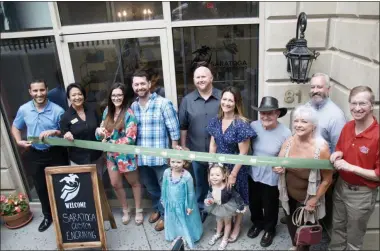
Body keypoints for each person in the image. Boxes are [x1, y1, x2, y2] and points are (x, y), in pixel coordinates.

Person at [280, 72, 346, 225]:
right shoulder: (306, 107)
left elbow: (339, 149)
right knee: (296, 216)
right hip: (296, 174)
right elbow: (295, 135)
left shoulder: (335, 115)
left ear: (328, 89)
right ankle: (294, 218)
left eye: (320, 87)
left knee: (313, 217)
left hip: (319, 172)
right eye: (313, 86)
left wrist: (322, 187)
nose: (315, 90)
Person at [11, 79, 69, 232]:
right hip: (35, 153)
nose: (39, 94)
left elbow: (65, 133)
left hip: (56, 152)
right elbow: (16, 127)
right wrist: (18, 141)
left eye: (42, 90)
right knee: (41, 187)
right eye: (35, 91)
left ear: (47, 90)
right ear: (30, 92)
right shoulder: (24, 109)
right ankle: (47, 216)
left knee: (62, 185)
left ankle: (66, 214)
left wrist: (56, 132)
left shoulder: (58, 110)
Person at [273, 105, 333, 251]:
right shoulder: (289, 142)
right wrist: (277, 168)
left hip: (307, 201)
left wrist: (314, 199)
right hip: (288, 196)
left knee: (305, 237)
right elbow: (277, 164)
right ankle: (295, 246)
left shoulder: (321, 148)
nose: (299, 125)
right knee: (292, 226)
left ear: (314, 126)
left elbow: (327, 179)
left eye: (304, 121)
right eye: (296, 121)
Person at [329, 86, 379, 251]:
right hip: (341, 187)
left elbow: (378, 175)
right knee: (337, 230)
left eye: (363, 103)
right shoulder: (348, 126)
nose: (357, 108)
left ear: (372, 105)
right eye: (354, 103)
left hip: (362, 194)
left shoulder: (377, 135)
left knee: (354, 238)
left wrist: (350, 167)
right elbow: (341, 148)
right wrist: (337, 153)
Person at [130, 70, 180, 231]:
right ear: (133, 86)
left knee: (165, 188)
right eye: (136, 84)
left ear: (149, 84)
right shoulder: (133, 106)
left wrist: (172, 152)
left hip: (160, 157)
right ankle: (158, 209)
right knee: (151, 188)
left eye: (142, 83)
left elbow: (174, 129)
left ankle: (167, 216)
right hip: (143, 158)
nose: (140, 87)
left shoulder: (163, 103)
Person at [207, 86, 256, 242]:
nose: (226, 103)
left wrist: (233, 174)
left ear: (236, 103)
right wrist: (211, 167)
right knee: (223, 196)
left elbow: (243, 153)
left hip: (236, 168)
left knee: (238, 198)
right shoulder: (216, 121)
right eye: (224, 99)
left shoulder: (240, 124)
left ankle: (237, 225)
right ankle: (225, 222)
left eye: (230, 100)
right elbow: (213, 146)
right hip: (219, 169)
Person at [95, 82, 143, 226]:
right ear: (110, 96)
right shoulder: (106, 112)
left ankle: (139, 210)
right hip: (111, 157)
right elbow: (102, 136)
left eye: (119, 95)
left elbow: (130, 138)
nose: (116, 97)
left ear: (124, 96)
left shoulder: (129, 114)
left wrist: (111, 143)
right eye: (114, 95)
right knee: (115, 184)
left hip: (126, 157)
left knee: (134, 183)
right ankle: (125, 209)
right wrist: (98, 132)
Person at [178, 64, 222, 223]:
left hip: (219, 153)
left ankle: (220, 212)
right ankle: (201, 210)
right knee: (200, 186)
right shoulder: (187, 100)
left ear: (211, 78)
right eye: (198, 77)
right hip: (195, 151)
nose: (201, 80)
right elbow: (183, 126)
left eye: (204, 76)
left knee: (219, 184)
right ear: (194, 80)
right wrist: (183, 147)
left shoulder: (222, 97)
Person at [247, 96, 291, 247]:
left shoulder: (286, 132)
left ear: (277, 113)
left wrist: (282, 166)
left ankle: (269, 229)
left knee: (270, 204)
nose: (265, 116)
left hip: (271, 176)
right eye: (262, 113)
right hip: (253, 172)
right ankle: (257, 223)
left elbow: (287, 156)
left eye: (270, 113)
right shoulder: (253, 125)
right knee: (254, 202)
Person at [59, 83, 104, 175]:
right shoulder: (65, 117)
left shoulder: (93, 109)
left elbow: (101, 125)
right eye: (73, 95)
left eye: (80, 94)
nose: (77, 97)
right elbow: (63, 137)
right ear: (69, 97)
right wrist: (66, 136)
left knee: (99, 182)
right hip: (78, 160)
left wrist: (101, 130)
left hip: (96, 156)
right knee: (85, 186)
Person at [160, 156, 203, 249]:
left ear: (184, 162)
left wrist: (190, 206)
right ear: (169, 161)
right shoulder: (167, 172)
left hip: (183, 203)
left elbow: (191, 192)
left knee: (184, 220)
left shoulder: (187, 176)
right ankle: (175, 234)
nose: (175, 164)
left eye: (179, 162)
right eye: (173, 161)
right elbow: (164, 186)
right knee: (173, 218)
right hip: (171, 202)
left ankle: (186, 236)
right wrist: (163, 198)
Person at [205, 163, 246, 250]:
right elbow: (210, 194)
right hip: (217, 207)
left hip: (227, 208)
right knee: (219, 221)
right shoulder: (211, 186)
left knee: (227, 223)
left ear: (224, 176)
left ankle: (225, 238)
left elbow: (237, 196)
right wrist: (209, 199)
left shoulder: (227, 187)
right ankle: (218, 233)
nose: (214, 177)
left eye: (217, 175)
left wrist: (241, 206)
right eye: (212, 175)